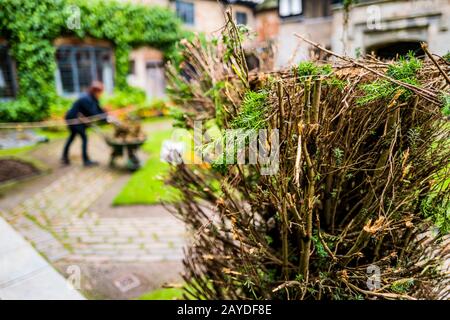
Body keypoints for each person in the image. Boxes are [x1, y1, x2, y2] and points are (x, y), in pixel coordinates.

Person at [61, 81, 107, 166]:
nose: (101, 94)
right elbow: (93, 113)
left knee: (72, 137)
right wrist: (105, 118)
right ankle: (86, 161)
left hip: (77, 119)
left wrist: (106, 117)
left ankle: (64, 157)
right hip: (73, 119)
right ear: (96, 91)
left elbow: (98, 109)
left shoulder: (93, 98)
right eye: (100, 92)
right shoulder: (86, 99)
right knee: (84, 137)